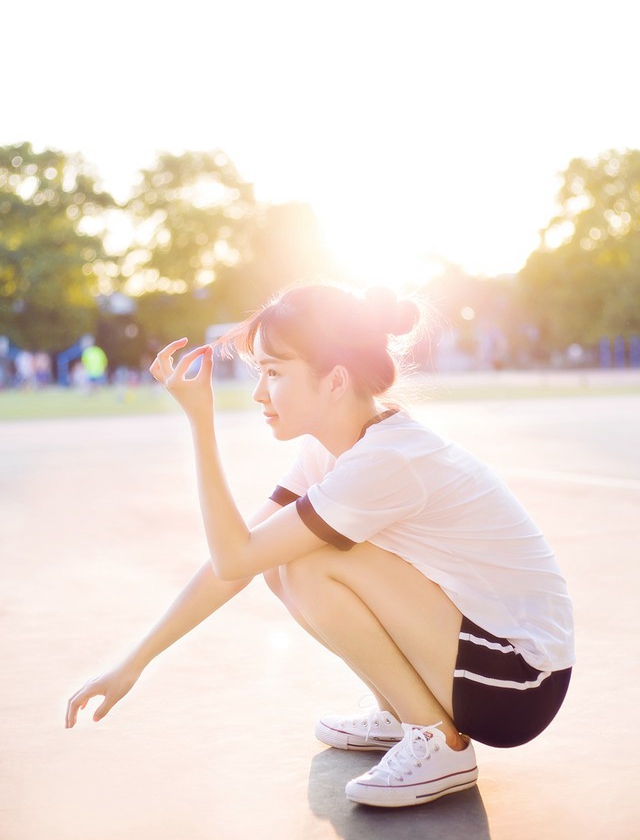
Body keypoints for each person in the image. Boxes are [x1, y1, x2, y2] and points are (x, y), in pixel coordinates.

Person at [66, 283, 574, 809]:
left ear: (334, 382)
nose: (260, 392)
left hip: (519, 681)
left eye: (275, 372)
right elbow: (235, 567)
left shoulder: (386, 459)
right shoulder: (331, 448)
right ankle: (402, 709)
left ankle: (437, 740)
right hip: (481, 656)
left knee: (306, 564)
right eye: (259, 371)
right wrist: (133, 662)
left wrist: (201, 424)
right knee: (278, 563)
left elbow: (233, 554)